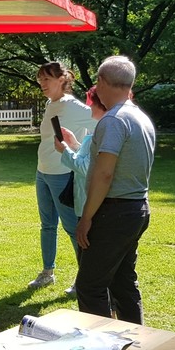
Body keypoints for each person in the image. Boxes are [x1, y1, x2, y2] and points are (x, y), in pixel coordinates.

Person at [74, 55, 156, 324]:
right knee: (123, 283)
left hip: (115, 211)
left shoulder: (113, 120)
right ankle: (136, 343)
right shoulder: (140, 117)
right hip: (137, 209)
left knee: (90, 286)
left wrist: (86, 218)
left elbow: (104, 173)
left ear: (101, 82)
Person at [27, 61, 94, 296]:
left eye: (46, 79)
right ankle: (47, 272)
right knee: (47, 225)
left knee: (72, 227)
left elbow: (99, 123)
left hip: (63, 173)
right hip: (42, 172)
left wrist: (81, 148)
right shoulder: (50, 104)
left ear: (61, 79)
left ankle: (84, 276)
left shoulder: (73, 106)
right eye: (39, 79)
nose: (42, 83)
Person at [53, 85, 109, 297]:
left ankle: (87, 290)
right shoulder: (97, 131)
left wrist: (64, 150)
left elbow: (86, 168)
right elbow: (86, 158)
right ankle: (85, 286)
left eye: (91, 102)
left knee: (89, 252)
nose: (88, 106)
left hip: (90, 203)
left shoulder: (101, 133)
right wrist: (74, 144)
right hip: (83, 200)